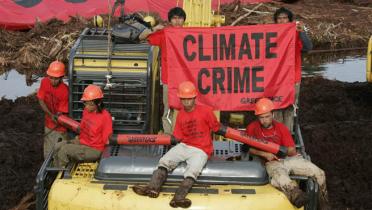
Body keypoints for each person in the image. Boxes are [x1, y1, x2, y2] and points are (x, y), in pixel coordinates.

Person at [132, 81, 221, 208]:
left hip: (201, 149)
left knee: (193, 170)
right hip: (184, 145)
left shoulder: (206, 111)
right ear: (180, 99)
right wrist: (165, 139)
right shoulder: (180, 115)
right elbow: (178, 137)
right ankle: (152, 188)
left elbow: (216, 127)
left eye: (189, 99)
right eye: (183, 99)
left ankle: (178, 198)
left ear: (195, 98)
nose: (186, 102)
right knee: (164, 160)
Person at [245, 98, 329, 209]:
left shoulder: (281, 128)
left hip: (288, 159)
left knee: (320, 174)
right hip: (271, 162)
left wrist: (279, 150)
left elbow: (292, 150)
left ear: (273, 114)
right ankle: (297, 196)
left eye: (267, 116)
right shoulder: (252, 128)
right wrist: (265, 154)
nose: (264, 120)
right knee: (281, 178)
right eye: (261, 117)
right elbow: (247, 149)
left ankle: (324, 205)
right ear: (257, 117)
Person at [140, 7, 187, 135]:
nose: (177, 21)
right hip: (169, 79)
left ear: (184, 20)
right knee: (168, 108)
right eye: (174, 18)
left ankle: (185, 134)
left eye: (180, 18)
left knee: (187, 108)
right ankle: (168, 135)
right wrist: (154, 29)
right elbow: (142, 37)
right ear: (170, 20)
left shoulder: (190, 33)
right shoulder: (165, 33)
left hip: (187, 78)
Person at [272, 7, 313, 132]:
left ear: (290, 20)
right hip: (275, 79)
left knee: (289, 107)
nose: (282, 20)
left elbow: (307, 47)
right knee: (276, 107)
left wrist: (301, 32)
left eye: (285, 18)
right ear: (276, 21)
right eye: (279, 18)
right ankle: (278, 137)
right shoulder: (270, 34)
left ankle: (287, 137)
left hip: (292, 78)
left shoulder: (295, 33)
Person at [53, 85, 113, 167]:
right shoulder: (86, 111)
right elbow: (83, 128)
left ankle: (63, 174)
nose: (87, 106)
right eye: (85, 103)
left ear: (98, 103)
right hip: (83, 141)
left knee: (64, 150)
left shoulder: (105, 117)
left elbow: (107, 140)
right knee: (57, 146)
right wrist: (77, 138)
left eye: (90, 104)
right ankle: (56, 170)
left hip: (95, 149)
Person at [37, 61, 69, 159]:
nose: (53, 81)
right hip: (49, 121)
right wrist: (50, 115)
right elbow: (40, 99)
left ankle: (59, 168)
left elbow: (61, 113)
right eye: (51, 77)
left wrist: (56, 117)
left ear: (61, 78)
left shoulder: (65, 91)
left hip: (61, 125)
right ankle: (47, 164)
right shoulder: (44, 82)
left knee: (61, 149)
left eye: (56, 78)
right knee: (48, 149)